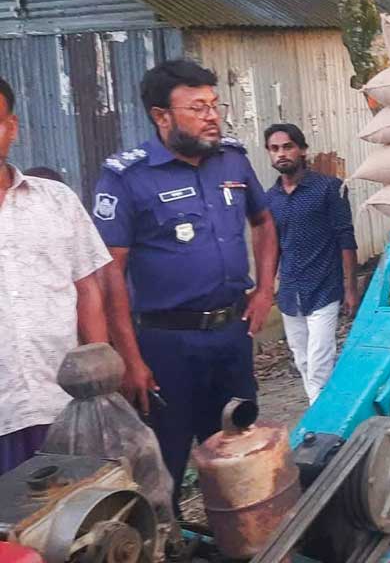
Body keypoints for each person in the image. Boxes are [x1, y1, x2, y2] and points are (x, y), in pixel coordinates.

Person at [92, 59, 278, 510]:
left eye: (215, 105)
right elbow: (110, 271)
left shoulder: (232, 159)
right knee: (164, 464)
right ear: (161, 116)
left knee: (239, 450)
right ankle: (169, 540)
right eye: (197, 108)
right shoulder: (127, 178)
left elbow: (264, 221)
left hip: (231, 336)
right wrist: (129, 359)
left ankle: (244, 535)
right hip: (165, 346)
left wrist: (264, 290)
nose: (212, 116)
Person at [0, 76, 152, 474]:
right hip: (3, 411)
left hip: (64, 403)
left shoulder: (56, 201)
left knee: (80, 506)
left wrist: (98, 379)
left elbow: (88, 288)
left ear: (12, 127)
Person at [264, 123, 357, 403]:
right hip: (290, 291)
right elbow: (272, 247)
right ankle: (322, 411)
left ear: (302, 150)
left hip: (324, 287)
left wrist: (351, 288)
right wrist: (267, 288)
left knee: (319, 362)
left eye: (287, 147)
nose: (281, 154)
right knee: (302, 360)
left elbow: (346, 238)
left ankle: (322, 420)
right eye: (274, 149)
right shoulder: (270, 199)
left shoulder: (328, 189)